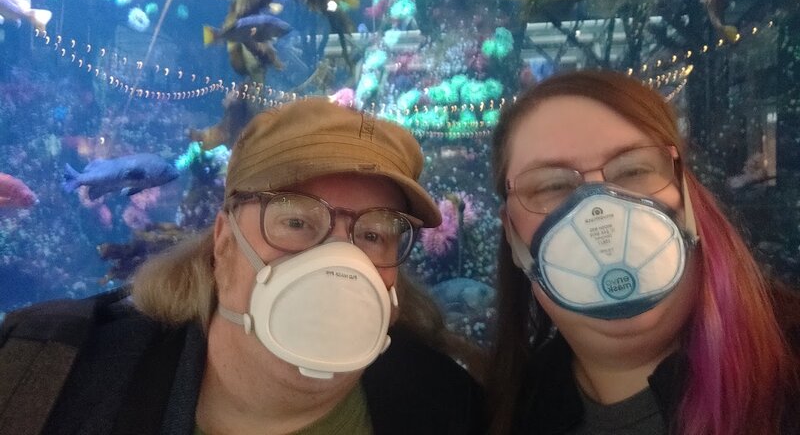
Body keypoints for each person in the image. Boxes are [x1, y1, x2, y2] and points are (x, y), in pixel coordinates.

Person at [0, 97, 484, 434]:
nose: (343, 260)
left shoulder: (452, 409)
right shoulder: (45, 375)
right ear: (225, 243)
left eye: (376, 233)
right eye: (296, 221)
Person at [486, 69, 800, 435]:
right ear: (512, 232)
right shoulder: (509, 411)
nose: (598, 210)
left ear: (686, 196)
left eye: (633, 170)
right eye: (553, 185)